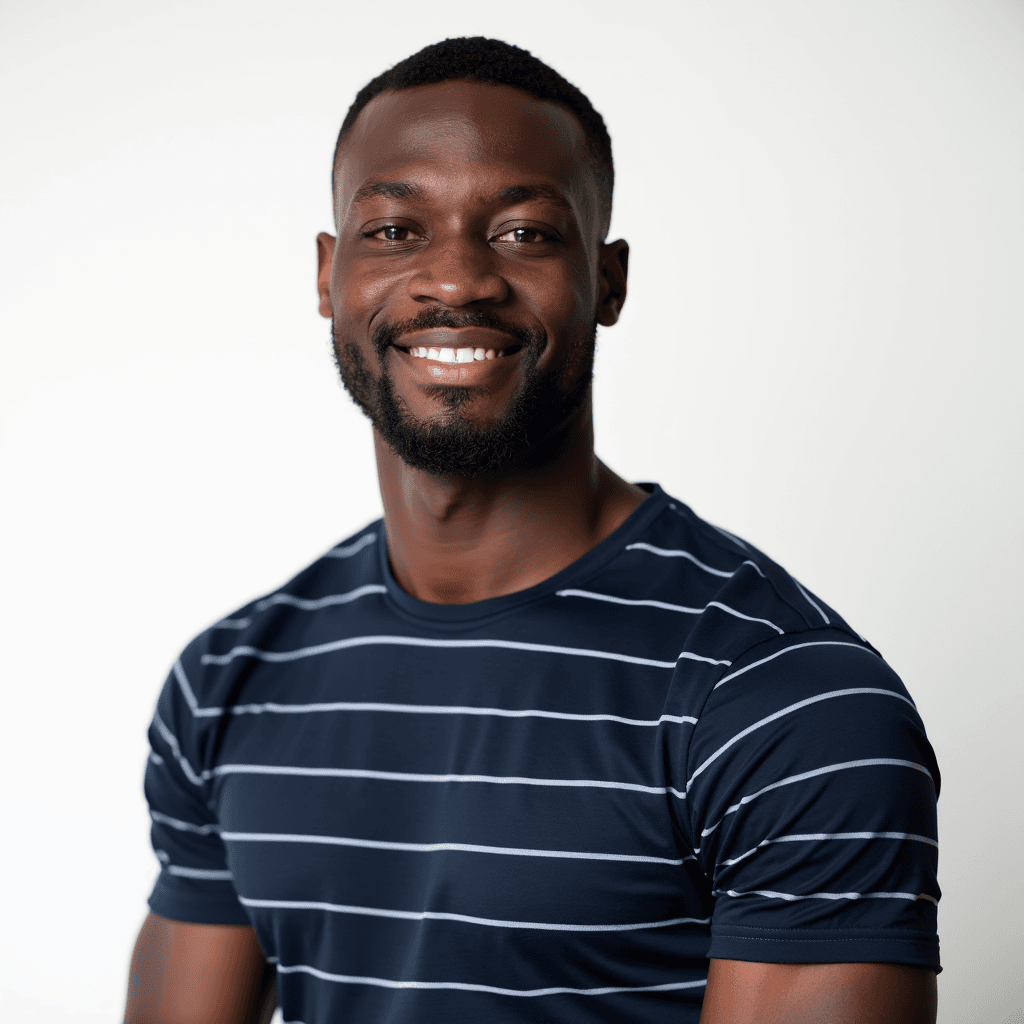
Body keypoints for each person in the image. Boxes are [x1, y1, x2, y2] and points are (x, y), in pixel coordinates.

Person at [123, 37, 940, 1024]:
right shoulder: (228, 681)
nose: (456, 279)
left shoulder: (782, 702)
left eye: (521, 233)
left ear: (608, 280)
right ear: (327, 275)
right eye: (393, 230)